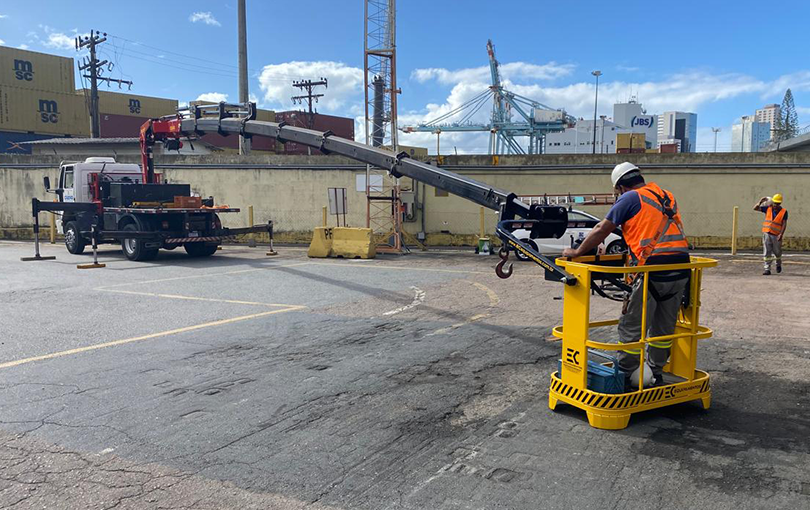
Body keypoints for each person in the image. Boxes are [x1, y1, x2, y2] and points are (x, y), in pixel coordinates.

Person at [562, 162, 690, 387]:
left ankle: (625, 375)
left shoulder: (630, 198)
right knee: (663, 328)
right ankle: (656, 371)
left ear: (620, 186)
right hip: (681, 268)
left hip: (651, 269)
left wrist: (577, 251)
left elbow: (602, 228)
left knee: (632, 326)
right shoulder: (667, 196)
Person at [754, 194, 787, 275]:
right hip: (767, 233)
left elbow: (784, 224)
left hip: (776, 235)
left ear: (780, 203)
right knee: (767, 252)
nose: (776, 205)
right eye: (775, 203)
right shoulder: (768, 209)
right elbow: (755, 208)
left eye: (778, 203)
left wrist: (781, 234)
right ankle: (767, 268)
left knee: (777, 252)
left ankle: (778, 264)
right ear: (772, 202)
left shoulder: (784, 212)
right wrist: (760, 201)